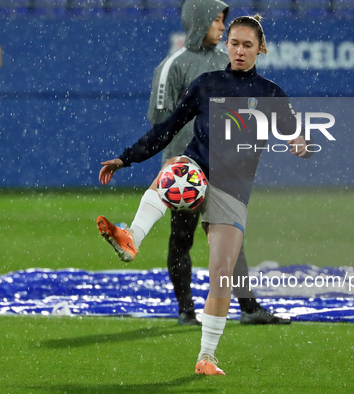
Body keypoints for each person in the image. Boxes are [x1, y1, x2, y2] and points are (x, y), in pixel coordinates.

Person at [97, 15, 313, 375]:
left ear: (261, 49)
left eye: (248, 45)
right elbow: (166, 130)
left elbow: (296, 134)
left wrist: (300, 144)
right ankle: (131, 237)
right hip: (195, 172)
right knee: (174, 171)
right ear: (226, 45)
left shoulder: (271, 93)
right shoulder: (206, 85)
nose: (240, 51)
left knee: (221, 275)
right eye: (234, 43)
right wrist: (126, 157)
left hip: (232, 187)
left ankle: (206, 358)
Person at [147, 0, 289, 326]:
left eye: (223, 21)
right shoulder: (175, 65)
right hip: (186, 169)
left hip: (222, 167)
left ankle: (249, 307)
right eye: (215, 20)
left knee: (230, 237)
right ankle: (187, 311)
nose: (221, 27)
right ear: (198, 21)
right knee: (182, 236)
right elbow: (161, 118)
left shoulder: (226, 61)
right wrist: (174, 157)